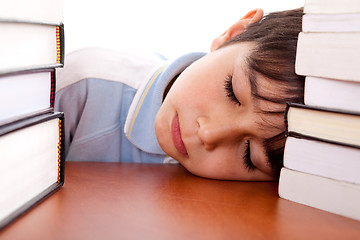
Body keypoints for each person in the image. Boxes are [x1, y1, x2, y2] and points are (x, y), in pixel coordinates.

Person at [55, 8, 305, 181]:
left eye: (249, 155)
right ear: (233, 34)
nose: (208, 133)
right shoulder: (83, 85)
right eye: (232, 92)